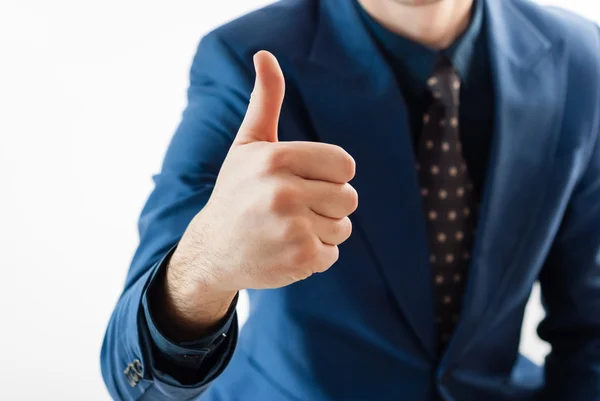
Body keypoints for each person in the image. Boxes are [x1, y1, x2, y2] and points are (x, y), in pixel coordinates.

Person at [100, 0, 600, 399]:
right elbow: (132, 380)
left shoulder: (580, 58)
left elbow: (589, 327)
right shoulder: (245, 58)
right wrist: (206, 267)